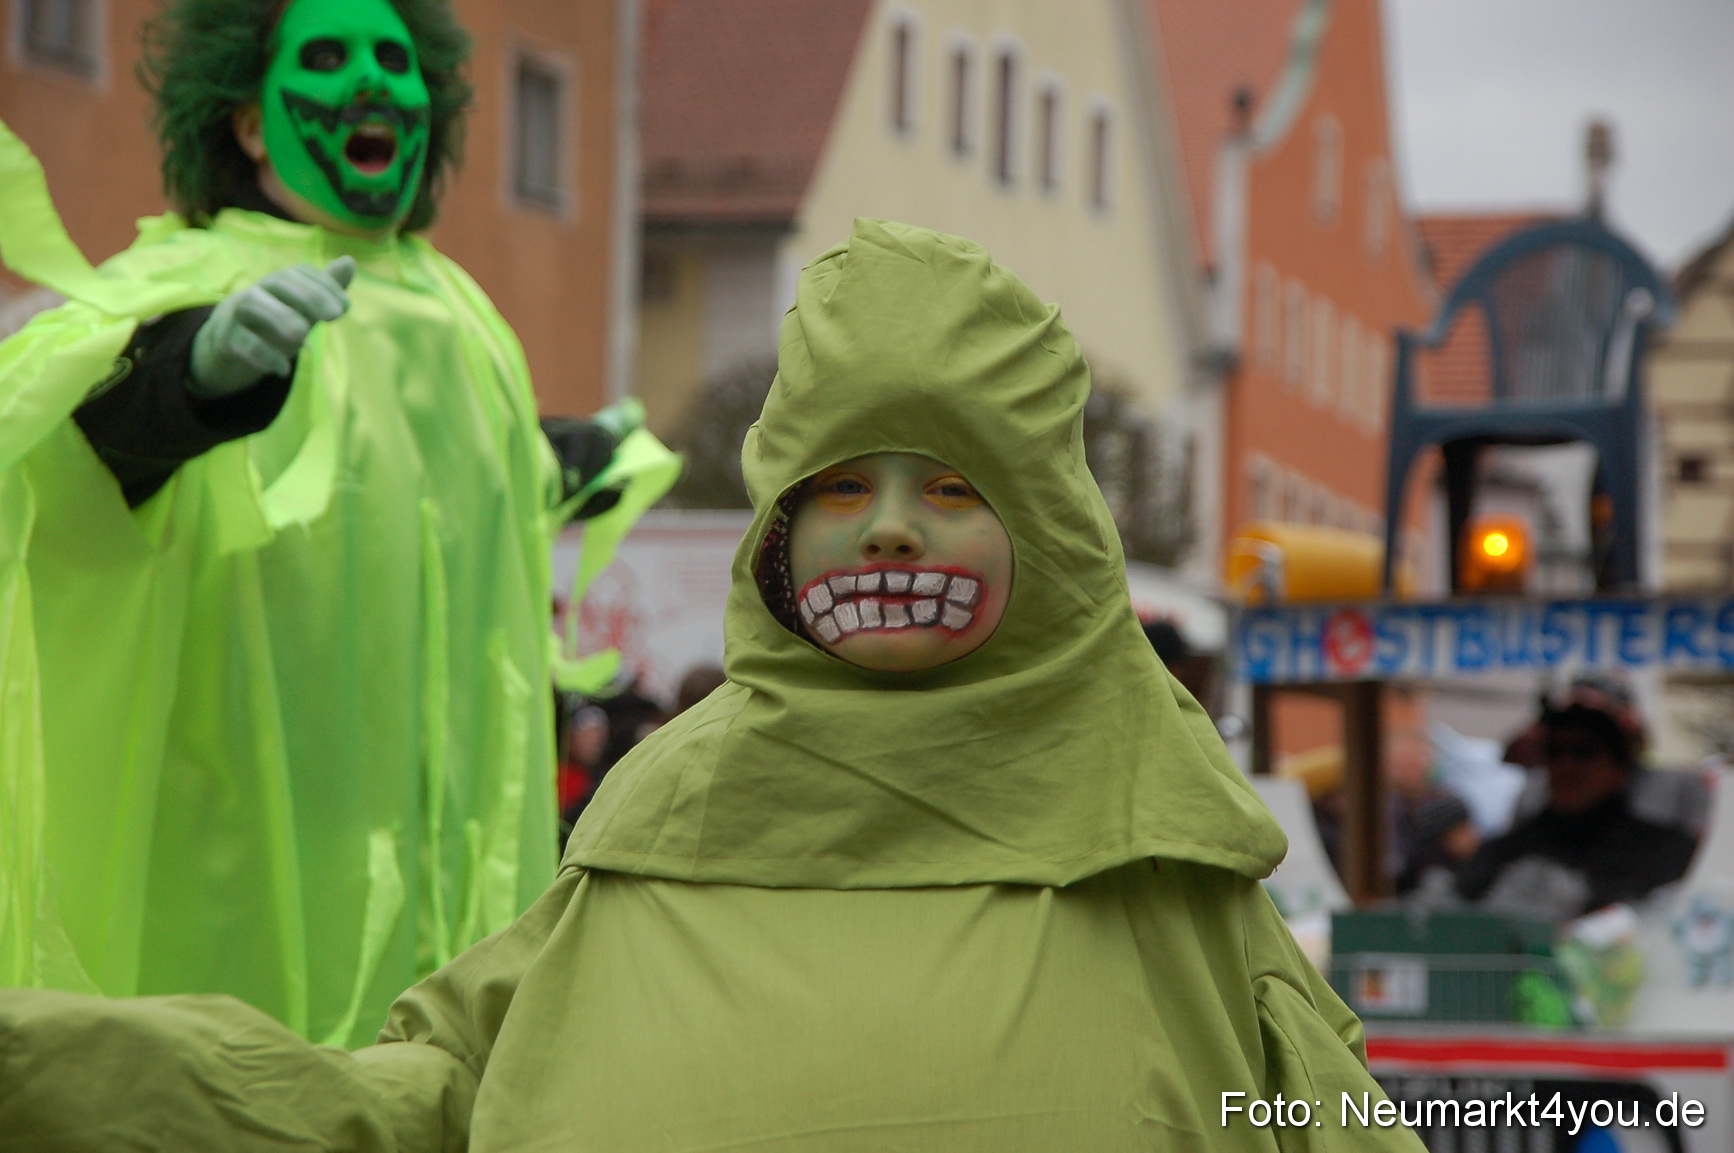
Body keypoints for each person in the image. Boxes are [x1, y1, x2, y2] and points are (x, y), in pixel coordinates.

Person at [0, 220, 1421, 1151]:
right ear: (777, 533)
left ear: (1052, 544)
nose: (887, 528)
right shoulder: (658, 826)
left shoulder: (1160, 859)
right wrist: (47, 1064)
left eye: (947, 486)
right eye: (842, 484)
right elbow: (410, 1107)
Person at [0, 0, 673, 1046]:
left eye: (393, 60)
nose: (371, 83)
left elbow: (457, 487)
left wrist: (569, 456)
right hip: (230, 876)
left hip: (443, 887)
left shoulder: (468, 317)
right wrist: (196, 377)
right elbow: (74, 454)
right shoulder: (179, 282)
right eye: (325, 56)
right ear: (250, 121)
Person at [1458, 701, 1699, 921]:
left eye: (1583, 752)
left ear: (1619, 767)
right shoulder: (1506, 852)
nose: (1566, 766)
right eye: (1554, 751)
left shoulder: (1664, 851)